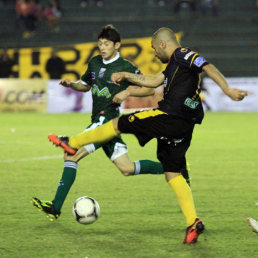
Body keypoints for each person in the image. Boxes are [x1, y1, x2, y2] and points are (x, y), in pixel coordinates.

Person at [48, 27, 248, 244]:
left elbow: (208, 66)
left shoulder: (182, 54)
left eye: (154, 49)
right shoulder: (173, 65)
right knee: (172, 173)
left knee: (118, 123)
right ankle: (193, 222)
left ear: (163, 44)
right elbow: (153, 81)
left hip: (169, 115)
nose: (153, 53)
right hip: (185, 126)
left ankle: (72, 142)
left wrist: (227, 90)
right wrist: (126, 76)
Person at [32, 25, 191, 222]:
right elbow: (85, 85)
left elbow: (149, 90)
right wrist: (72, 84)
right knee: (127, 168)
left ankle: (55, 207)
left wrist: (128, 91)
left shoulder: (125, 67)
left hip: (106, 120)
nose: (102, 47)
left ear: (117, 45)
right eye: (100, 44)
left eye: (106, 44)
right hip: (103, 124)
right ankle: (175, 168)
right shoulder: (95, 63)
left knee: (70, 155)